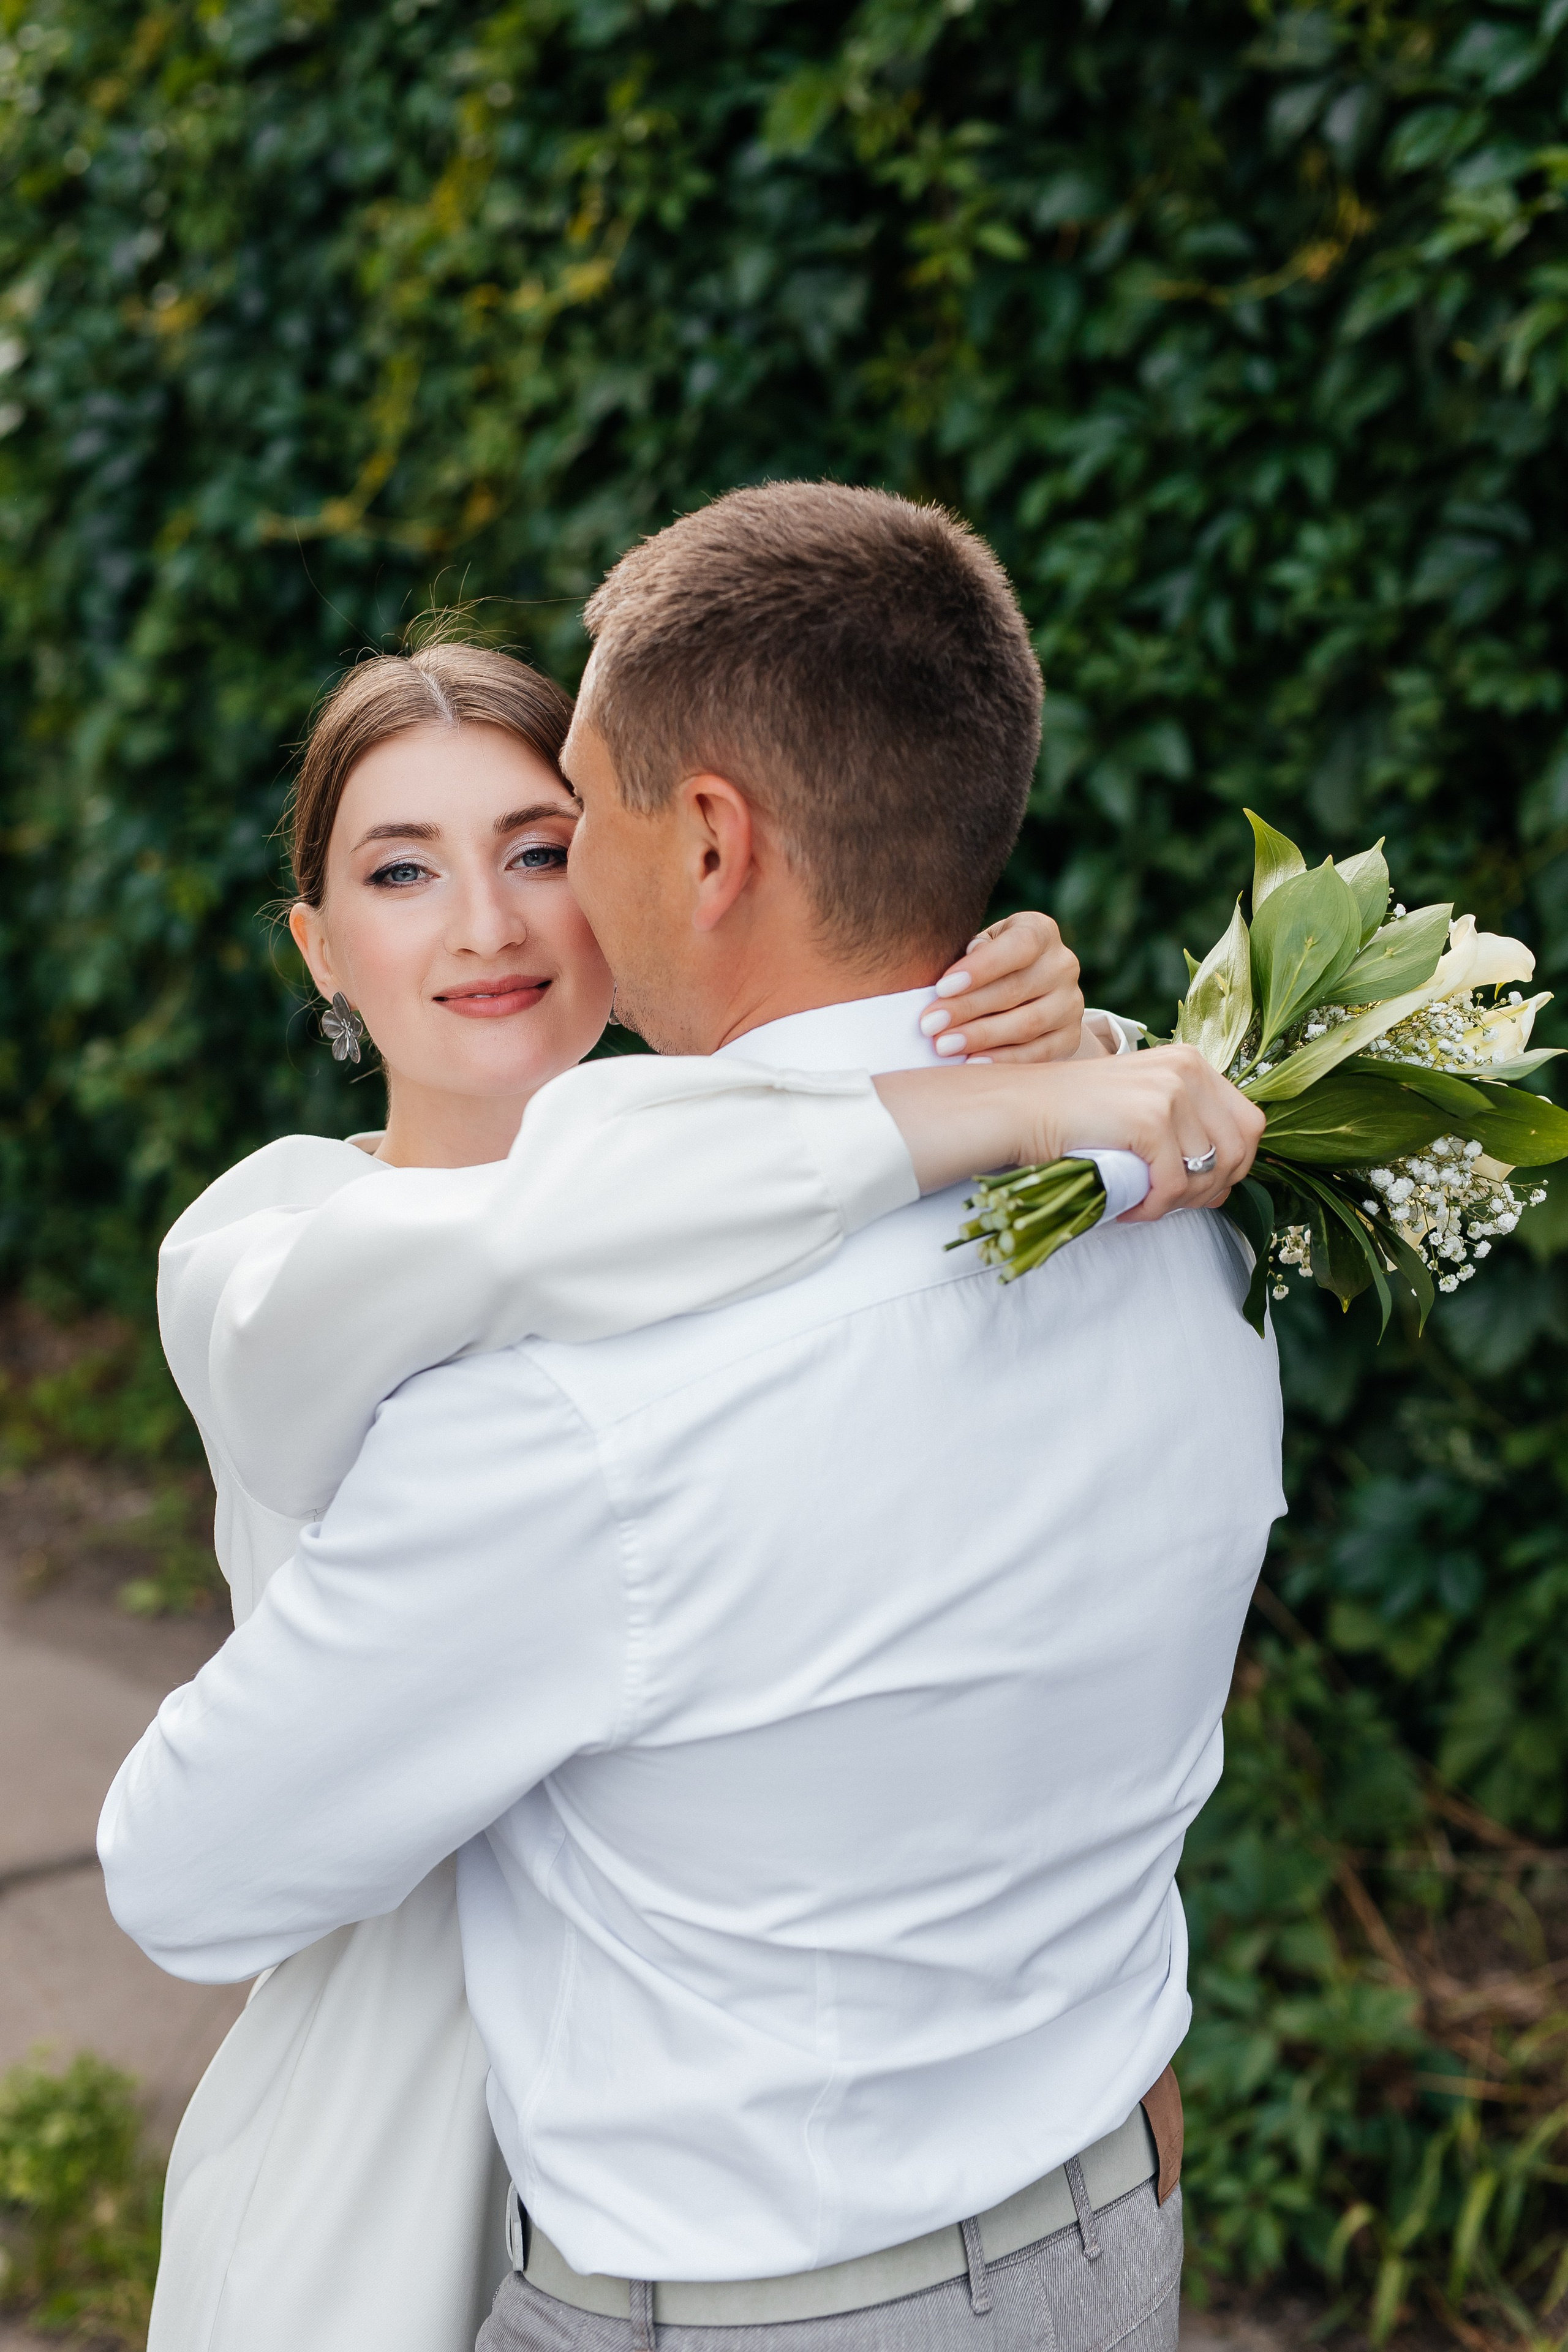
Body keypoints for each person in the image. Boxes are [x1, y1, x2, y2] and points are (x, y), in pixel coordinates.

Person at [104, 484, 1281, 2352]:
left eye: (557, 838)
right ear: (315, 946)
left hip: (743, 2221)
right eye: (400, 870)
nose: (489, 921)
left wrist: (1052, 1062)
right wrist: (1022, 1090)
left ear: (694, 850)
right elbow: (533, 1242)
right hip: (456, 2132)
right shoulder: (1164, 1211)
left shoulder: (1063, 1150)